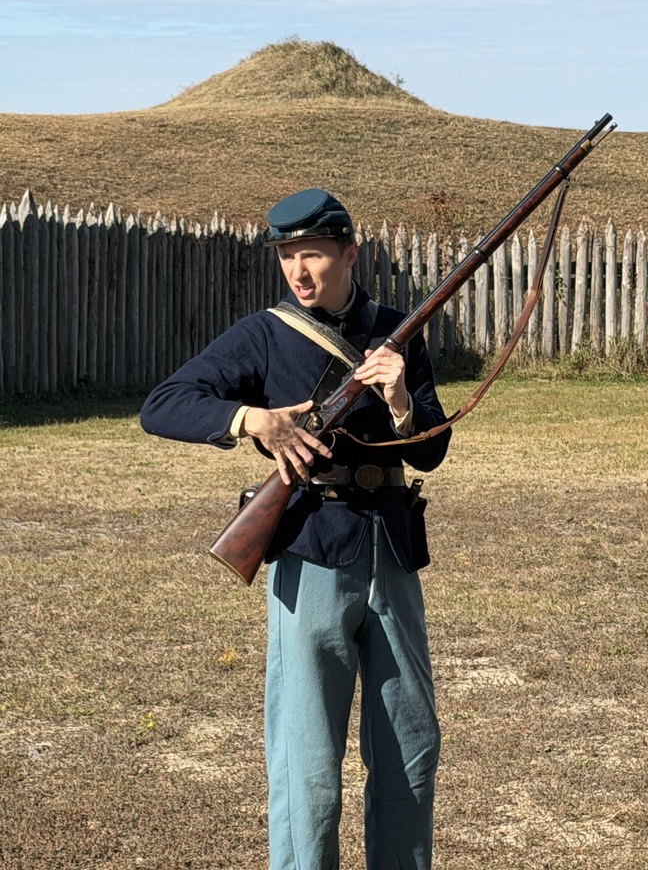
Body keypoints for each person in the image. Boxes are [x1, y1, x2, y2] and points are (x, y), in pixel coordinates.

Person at [140, 187, 451, 870]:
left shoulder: (397, 330)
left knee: (411, 747)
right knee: (306, 763)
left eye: (312, 254)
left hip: (393, 550)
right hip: (311, 549)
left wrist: (400, 398)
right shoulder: (265, 333)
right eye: (287, 256)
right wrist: (252, 419)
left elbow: (430, 450)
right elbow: (163, 404)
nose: (299, 271)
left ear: (350, 252)